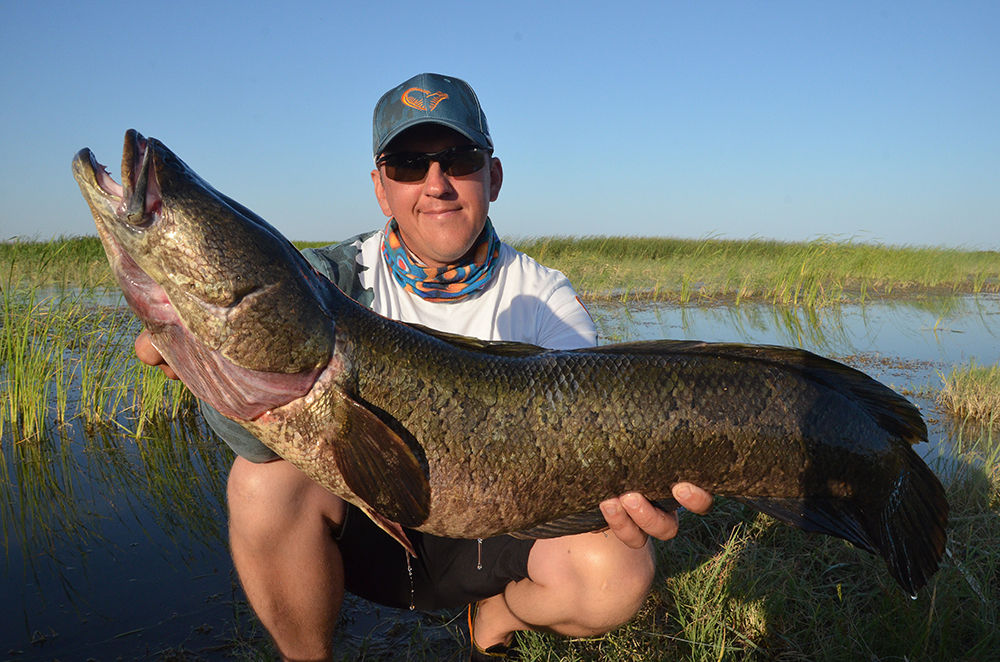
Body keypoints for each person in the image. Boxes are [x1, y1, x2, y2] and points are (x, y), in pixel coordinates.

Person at [136, 72, 713, 662]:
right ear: (381, 188)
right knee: (260, 483)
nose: (436, 184)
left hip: (501, 529)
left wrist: (631, 484)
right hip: (373, 525)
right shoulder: (323, 283)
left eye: (459, 159)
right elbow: (256, 440)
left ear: (493, 176)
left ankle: (496, 618)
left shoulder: (546, 300)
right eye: (409, 164)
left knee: (617, 571)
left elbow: (589, 433)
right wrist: (207, 361)